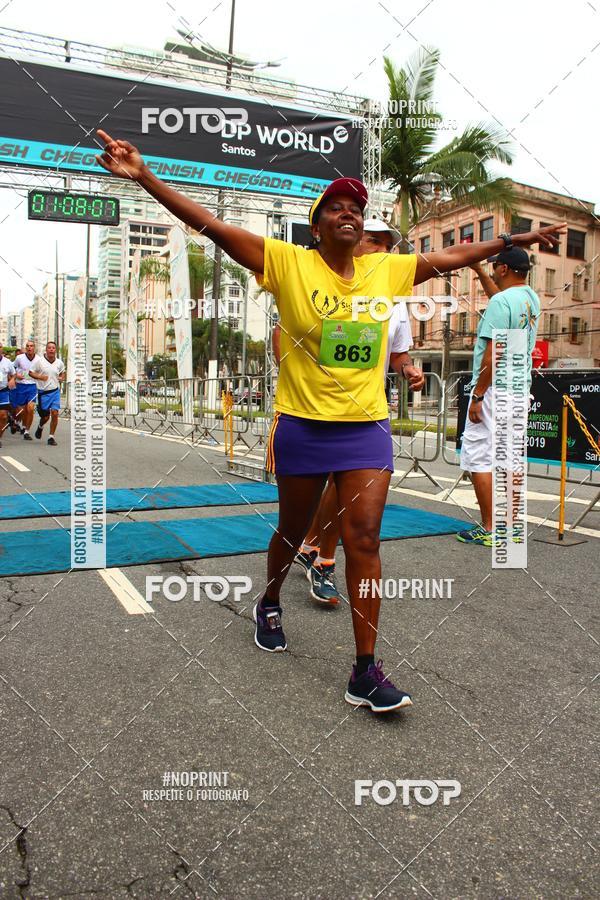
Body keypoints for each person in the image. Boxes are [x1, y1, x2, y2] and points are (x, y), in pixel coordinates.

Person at [95, 128, 564, 713]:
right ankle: (269, 599)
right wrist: (145, 176)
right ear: (317, 226)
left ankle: (366, 668)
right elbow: (211, 229)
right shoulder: (287, 263)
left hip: (366, 427)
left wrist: (513, 240)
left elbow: (455, 256)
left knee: (364, 537)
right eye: (337, 209)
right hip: (304, 425)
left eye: (357, 210)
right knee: (292, 532)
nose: (350, 214)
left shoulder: (386, 271)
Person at [293, 217, 423, 606]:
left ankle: (322, 559)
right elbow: (287, 332)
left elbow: (398, 354)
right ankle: (300, 555)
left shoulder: (395, 300)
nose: (384, 250)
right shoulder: (319, 283)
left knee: (349, 497)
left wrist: (409, 370)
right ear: (353, 241)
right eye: (375, 241)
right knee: (321, 492)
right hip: (315, 409)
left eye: (388, 244)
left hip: (367, 413)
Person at [457, 248, 540, 546]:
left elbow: (494, 354)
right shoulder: (529, 298)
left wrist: (478, 394)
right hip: (519, 391)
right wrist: (479, 272)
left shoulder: (501, 302)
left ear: (503, 268)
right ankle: (510, 527)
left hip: (494, 390)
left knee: (479, 455)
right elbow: (499, 300)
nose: (492, 272)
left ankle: (491, 529)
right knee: (511, 458)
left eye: (493, 268)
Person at [32, 341, 66, 446]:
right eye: (49, 348)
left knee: (55, 413)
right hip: (43, 393)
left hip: (55, 391)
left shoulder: (59, 362)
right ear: (46, 350)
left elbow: (63, 373)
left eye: (53, 348)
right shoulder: (40, 362)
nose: (51, 349)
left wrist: (61, 378)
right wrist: (40, 377)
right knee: (45, 417)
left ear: (55, 350)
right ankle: (40, 427)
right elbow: (31, 372)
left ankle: (51, 437)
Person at [13, 340, 44, 440]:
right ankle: (17, 422)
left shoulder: (39, 359)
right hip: (21, 385)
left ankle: (26, 431)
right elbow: (12, 369)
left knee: (30, 408)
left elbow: (41, 372)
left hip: (33, 386)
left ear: (34, 348)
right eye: (27, 346)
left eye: (31, 346)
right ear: (25, 348)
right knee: (21, 410)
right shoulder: (19, 358)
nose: (29, 348)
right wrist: (16, 375)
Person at [0, 347, 16, 449]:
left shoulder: (7, 362)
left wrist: (12, 380)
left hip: (3, 392)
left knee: (3, 416)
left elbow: (13, 374)